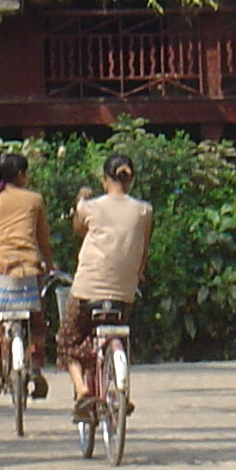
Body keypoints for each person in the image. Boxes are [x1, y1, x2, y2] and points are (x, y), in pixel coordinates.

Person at [61, 151, 152, 425]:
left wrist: (80, 202)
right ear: (131, 180)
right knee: (119, 333)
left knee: (68, 341)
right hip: (124, 293)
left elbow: (78, 230)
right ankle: (121, 386)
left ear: (104, 180)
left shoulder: (90, 207)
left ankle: (82, 390)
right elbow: (143, 253)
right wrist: (138, 276)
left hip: (88, 289)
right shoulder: (144, 211)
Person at [0, 152, 50, 395]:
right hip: (28, 269)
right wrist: (51, 265)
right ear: (21, 175)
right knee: (36, 323)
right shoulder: (35, 200)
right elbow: (43, 241)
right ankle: (34, 365)